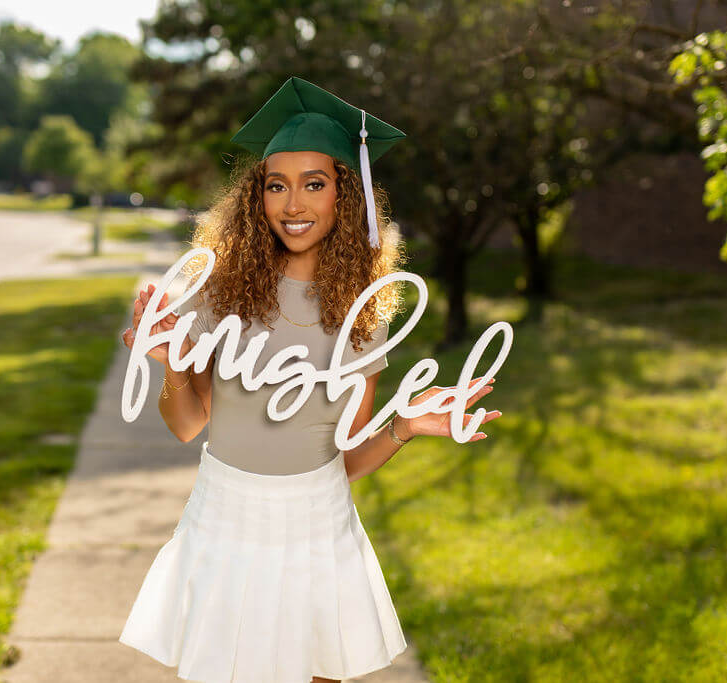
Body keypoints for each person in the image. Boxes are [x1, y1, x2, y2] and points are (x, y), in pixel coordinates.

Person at [117, 77, 500, 683]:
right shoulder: (221, 293)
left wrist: (402, 426)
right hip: (226, 518)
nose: (293, 205)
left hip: (318, 526)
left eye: (314, 184)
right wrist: (171, 365)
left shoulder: (364, 312)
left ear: (345, 197)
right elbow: (188, 422)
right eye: (277, 185)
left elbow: (340, 459)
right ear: (257, 196)